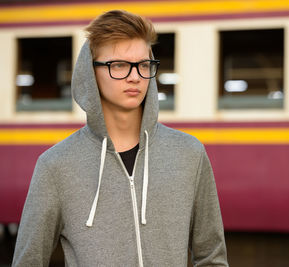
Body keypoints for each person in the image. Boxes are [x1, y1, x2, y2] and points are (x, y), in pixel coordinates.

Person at [12, 10, 228, 267]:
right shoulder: (56, 166)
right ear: (90, 73)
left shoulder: (189, 154)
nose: (135, 76)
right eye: (119, 65)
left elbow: (212, 257)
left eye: (143, 65)